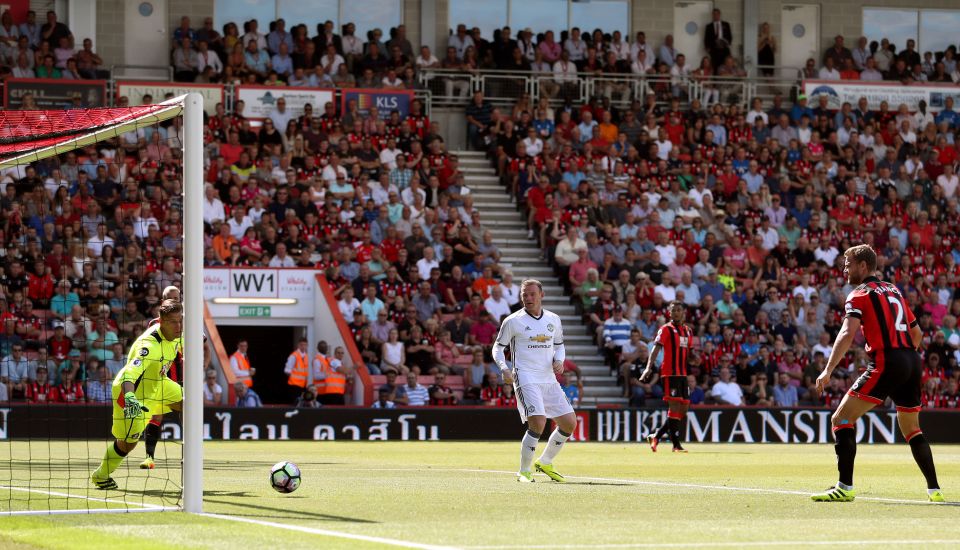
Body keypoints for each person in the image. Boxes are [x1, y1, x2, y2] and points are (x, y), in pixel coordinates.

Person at [811, 245, 943, 503]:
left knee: (840, 419)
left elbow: (847, 334)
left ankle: (844, 487)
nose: (844, 269)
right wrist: (904, 358)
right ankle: (935, 490)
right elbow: (917, 335)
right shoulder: (895, 290)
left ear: (863, 266)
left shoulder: (858, 294)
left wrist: (828, 370)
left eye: (848, 264)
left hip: (887, 360)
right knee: (912, 429)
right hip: (912, 360)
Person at [90, 300, 183, 490]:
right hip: (131, 393)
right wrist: (131, 398)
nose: (178, 326)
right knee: (128, 444)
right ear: (161, 322)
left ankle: (190, 460)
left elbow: (198, 339)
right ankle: (101, 475)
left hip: (158, 382)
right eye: (173, 322)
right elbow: (128, 376)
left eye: (180, 320)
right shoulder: (148, 345)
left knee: (189, 405)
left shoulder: (177, 335)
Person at [493, 279, 575, 483]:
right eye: (524, 295)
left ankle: (545, 461)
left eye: (532, 294)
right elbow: (497, 348)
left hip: (548, 377)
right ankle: (524, 471)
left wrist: (559, 360)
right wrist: (504, 368)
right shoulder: (513, 321)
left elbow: (559, 345)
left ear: (541, 295)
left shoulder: (553, 319)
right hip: (525, 376)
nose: (528, 298)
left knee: (569, 423)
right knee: (538, 421)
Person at [641, 301, 693, 453]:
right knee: (675, 406)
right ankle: (676, 445)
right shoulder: (665, 329)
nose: (676, 313)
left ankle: (656, 435)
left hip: (683, 374)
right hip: (670, 373)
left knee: (683, 409)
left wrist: (695, 359)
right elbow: (656, 349)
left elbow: (688, 352)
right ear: (669, 313)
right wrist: (648, 368)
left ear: (683, 313)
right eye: (673, 310)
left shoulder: (688, 331)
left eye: (679, 310)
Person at [284, 338, 310, 403]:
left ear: (307, 346)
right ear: (298, 345)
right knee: (295, 403)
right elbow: (287, 370)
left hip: (303, 385)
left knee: (301, 403)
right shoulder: (294, 355)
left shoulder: (306, 356)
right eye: (301, 345)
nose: (303, 347)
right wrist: (292, 378)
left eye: (305, 345)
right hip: (294, 385)